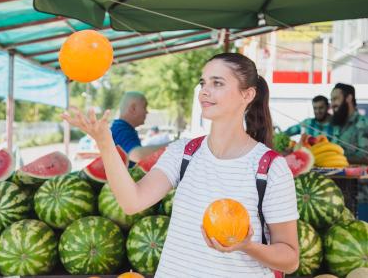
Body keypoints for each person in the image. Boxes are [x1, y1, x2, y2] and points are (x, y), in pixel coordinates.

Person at [62, 53, 299, 277]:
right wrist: (105, 143)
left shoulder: (270, 169)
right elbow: (131, 202)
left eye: (217, 83)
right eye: (203, 82)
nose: (204, 91)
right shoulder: (183, 153)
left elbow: (290, 258)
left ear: (247, 95)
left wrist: (247, 246)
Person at [110, 91, 167, 166]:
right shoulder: (121, 129)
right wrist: (169, 146)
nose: (147, 112)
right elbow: (136, 155)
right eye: (144, 107)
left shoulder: (124, 128)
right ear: (133, 109)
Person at [330, 83, 368, 164]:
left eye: (335, 99)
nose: (332, 104)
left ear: (349, 98)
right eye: (331, 100)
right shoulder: (338, 123)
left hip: (356, 176)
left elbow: (365, 156)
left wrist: (335, 158)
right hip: (336, 174)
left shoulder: (363, 123)